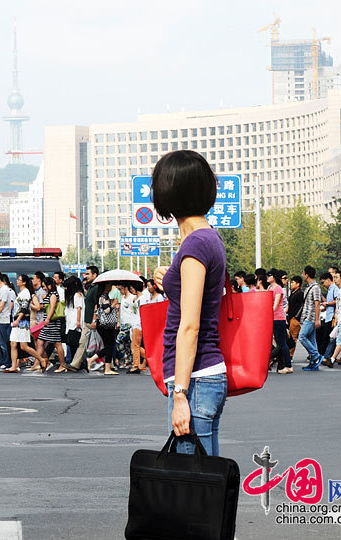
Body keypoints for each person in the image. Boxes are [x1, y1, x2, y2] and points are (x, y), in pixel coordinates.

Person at [152, 150, 227, 457]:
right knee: (203, 481)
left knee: (195, 487)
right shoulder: (206, 238)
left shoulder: (196, 243)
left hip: (195, 380)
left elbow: (191, 325)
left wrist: (180, 394)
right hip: (202, 377)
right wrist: (168, 279)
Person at [5, 274, 45, 373]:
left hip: (22, 322)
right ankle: (14, 366)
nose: (17, 281)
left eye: (19, 280)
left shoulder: (26, 293)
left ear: (24, 282)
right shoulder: (21, 292)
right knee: (13, 344)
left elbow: (24, 308)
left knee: (24, 346)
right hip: (17, 321)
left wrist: (18, 320)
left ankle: (41, 359)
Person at [66, 266, 100, 372]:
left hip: (93, 321)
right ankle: (75, 365)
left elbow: (96, 305)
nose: (86, 276)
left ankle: (109, 363)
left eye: (88, 274)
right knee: (82, 343)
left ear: (95, 275)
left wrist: (94, 319)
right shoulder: (91, 287)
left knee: (103, 344)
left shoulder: (97, 288)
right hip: (87, 320)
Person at [32, 277, 67, 372]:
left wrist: (47, 318)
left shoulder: (53, 295)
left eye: (44, 286)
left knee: (57, 343)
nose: (43, 288)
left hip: (52, 322)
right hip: (48, 322)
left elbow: (52, 308)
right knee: (40, 342)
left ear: (49, 285)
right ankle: (38, 363)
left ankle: (63, 365)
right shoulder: (49, 294)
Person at [267, 269, 292, 374]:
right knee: (278, 342)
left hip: (278, 318)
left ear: (274, 277)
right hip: (271, 318)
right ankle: (281, 365)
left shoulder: (278, 288)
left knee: (282, 343)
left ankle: (288, 365)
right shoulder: (269, 287)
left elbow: (275, 305)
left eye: (269, 275)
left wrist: (267, 313)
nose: (267, 277)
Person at [299, 266, 324, 371]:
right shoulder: (309, 287)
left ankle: (316, 355)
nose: (302, 275)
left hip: (311, 317)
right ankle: (314, 362)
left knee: (302, 336)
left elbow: (317, 303)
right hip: (307, 316)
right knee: (312, 340)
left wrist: (317, 319)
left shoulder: (315, 287)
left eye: (303, 273)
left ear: (307, 275)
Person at [286, 275, 304, 360]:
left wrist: (297, 317)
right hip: (290, 317)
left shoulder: (300, 293)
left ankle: (291, 354)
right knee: (290, 336)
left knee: (293, 337)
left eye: (293, 282)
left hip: (295, 318)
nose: (291, 284)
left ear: (298, 284)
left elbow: (302, 306)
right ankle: (289, 353)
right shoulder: (292, 293)